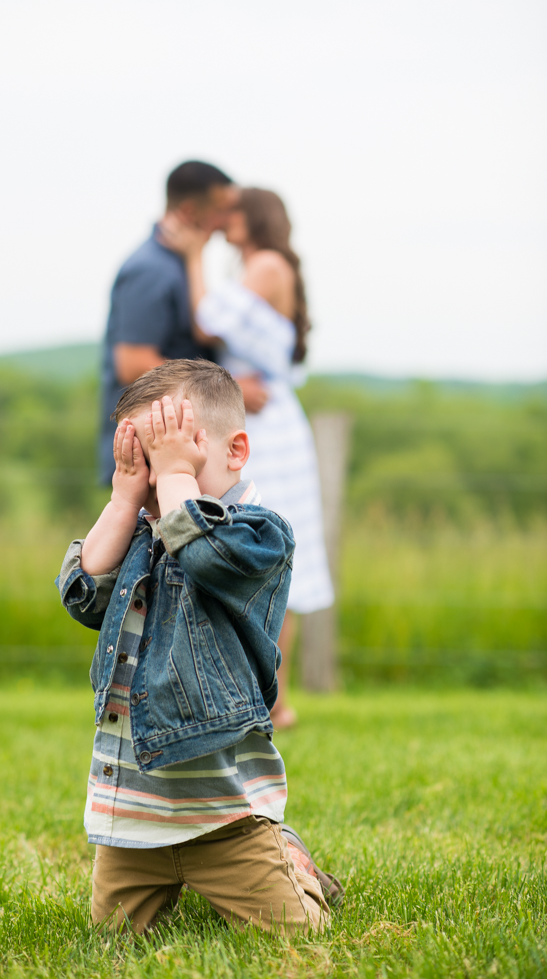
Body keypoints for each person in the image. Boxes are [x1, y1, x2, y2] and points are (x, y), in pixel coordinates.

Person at [58, 359, 343, 934]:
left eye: (177, 458)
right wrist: (122, 497)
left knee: (295, 933)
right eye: (146, 460)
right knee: (112, 939)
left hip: (225, 814)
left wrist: (175, 478)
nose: (158, 484)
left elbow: (207, 554)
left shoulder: (261, 534)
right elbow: (84, 596)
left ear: (235, 452)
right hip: (133, 816)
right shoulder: (142, 525)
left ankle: (290, 861)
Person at [161, 189, 334, 730]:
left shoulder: (266, 264)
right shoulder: (267, 266)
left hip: (265, 427)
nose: (223, 222)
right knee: (255, 544)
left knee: (269, 548)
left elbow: (210, 319)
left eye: (232, 214)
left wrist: (193, 256)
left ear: (253, 218)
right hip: (249, 412)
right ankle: (265, 697)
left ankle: (272, 699)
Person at [100, 160, 269, 484]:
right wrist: (230, 390)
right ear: (191, 211)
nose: (227, 222)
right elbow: (133, 362)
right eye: (222, 210)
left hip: (175, 452)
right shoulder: (150, 269)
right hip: (153, 455)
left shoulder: (179, 265)